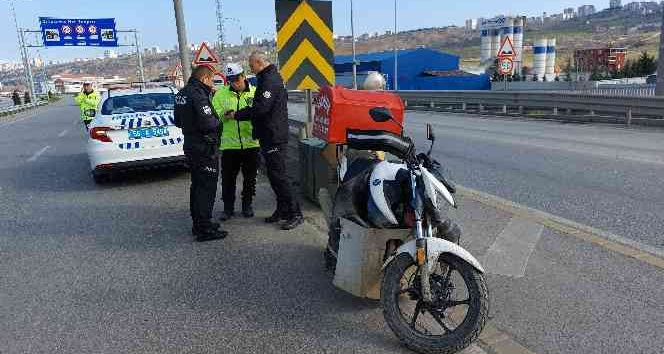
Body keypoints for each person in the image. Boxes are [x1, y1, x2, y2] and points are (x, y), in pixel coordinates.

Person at [232, 52, 303, 230]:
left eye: (251, 64)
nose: (250, 67)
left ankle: (295, 213)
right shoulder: (266, 78)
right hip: (268, 134)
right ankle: (282, 209)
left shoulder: (270, 80)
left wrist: (238, 114)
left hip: (274, 136)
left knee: (280, 176)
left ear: (259, 62)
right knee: (274, 176)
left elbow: (261, 108)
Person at [174, 65, 228, 242]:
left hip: (191, 144)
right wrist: (220, 121)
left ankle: (199, 224)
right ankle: (204, 229)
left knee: (197, 186)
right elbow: (209, 123)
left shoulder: (182, 93)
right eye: (211, 80)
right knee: (206, 188)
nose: (212, 83)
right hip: (204, 148)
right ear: (205, 78)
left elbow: (177, 121)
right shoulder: (198, 95)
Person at [212, 63, 259, 221]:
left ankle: (247, 205)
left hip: (251, 144)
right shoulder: (220, 95)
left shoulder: (255, 93)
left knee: (250, 179)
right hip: (229, 146)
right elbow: (213, 114)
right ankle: (228, 208)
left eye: (237, 79)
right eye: (230, 80)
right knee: (228, 180)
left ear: (244, 76)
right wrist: (223, 115)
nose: (234, 83)